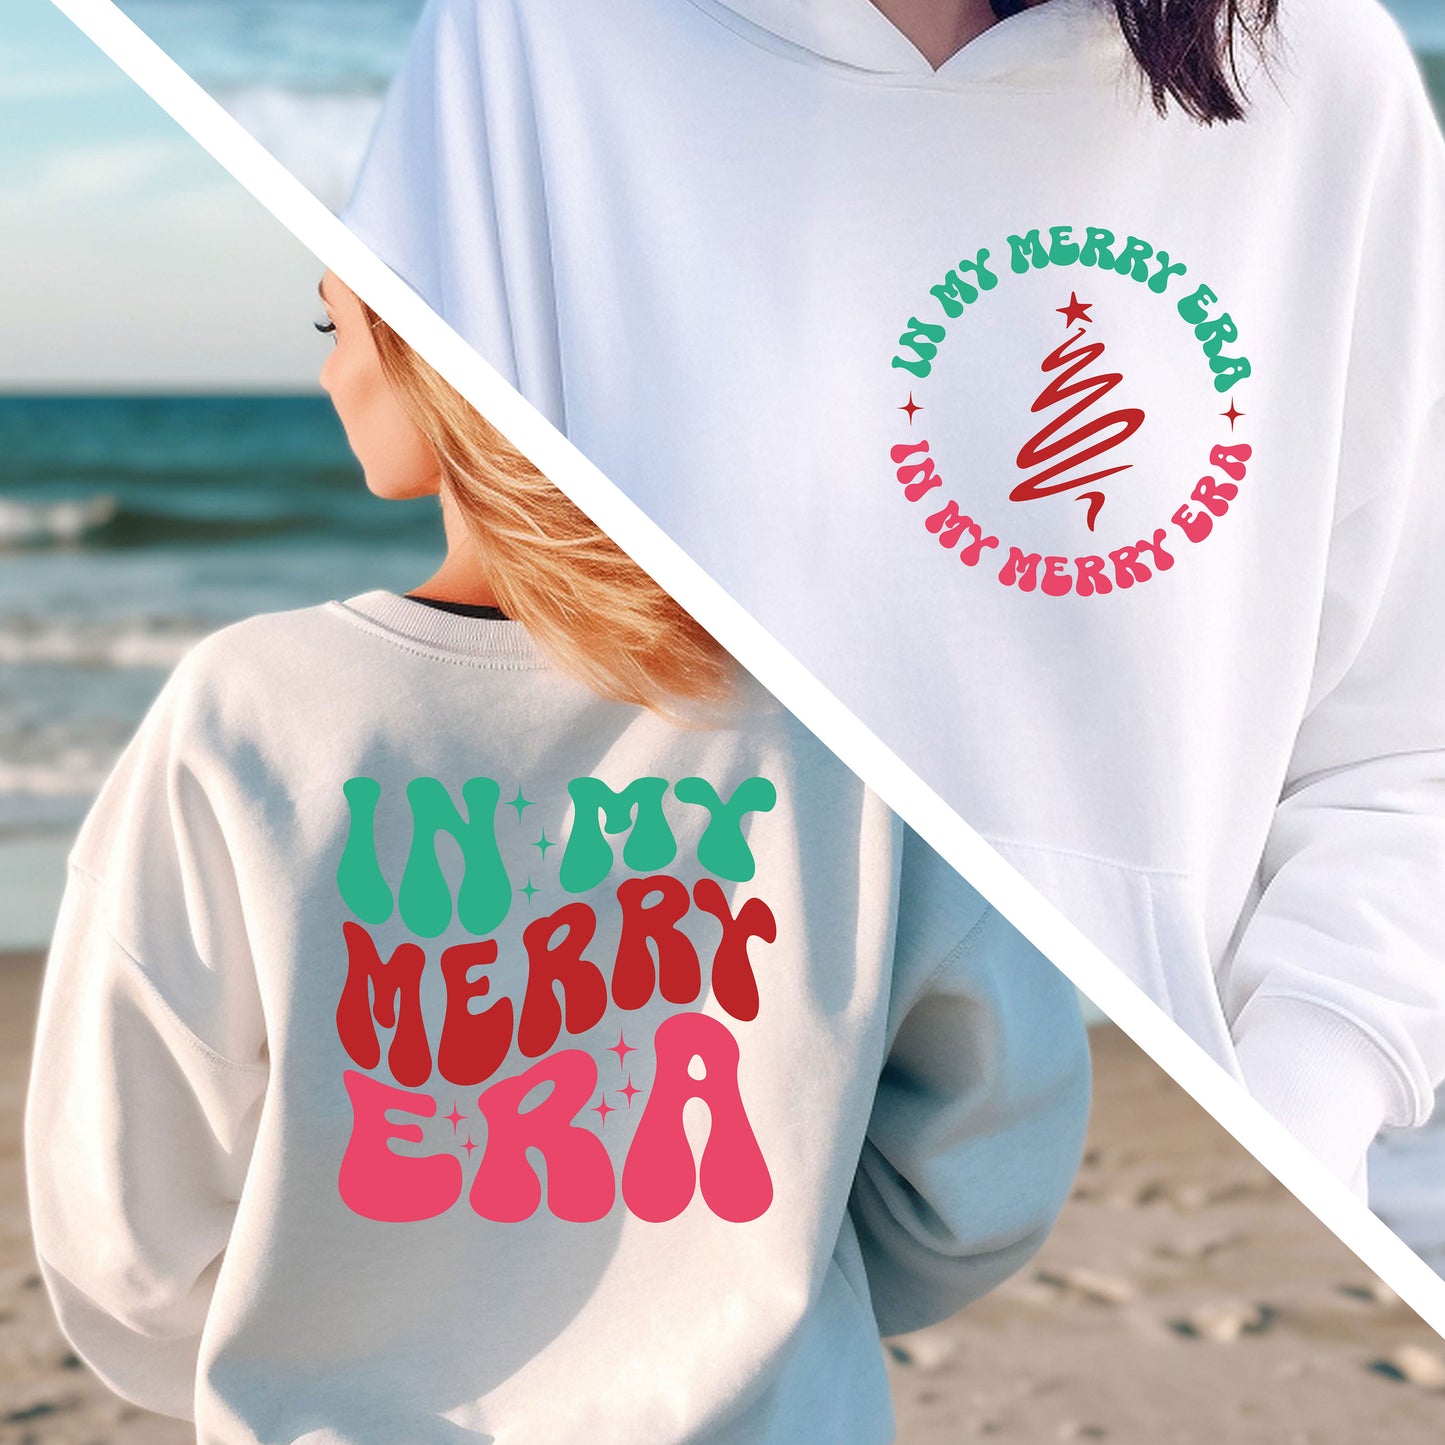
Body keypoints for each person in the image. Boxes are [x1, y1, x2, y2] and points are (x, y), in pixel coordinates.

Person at [337, 0, 1445, 1207]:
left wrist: (1293, 1118)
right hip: (670, 1169)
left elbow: (1397, 749)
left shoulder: (1314, 75)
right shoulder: (531, 42)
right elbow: (507, 668)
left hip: (1149, 1172)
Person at [22, 270, 1090, 1442]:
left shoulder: (252, 711)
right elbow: (983, 1162)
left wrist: (316, 1338)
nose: (327, 371)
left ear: (441, 352)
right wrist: (755, 1296)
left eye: (338, 322)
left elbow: (127, 1235)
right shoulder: (857, 715)